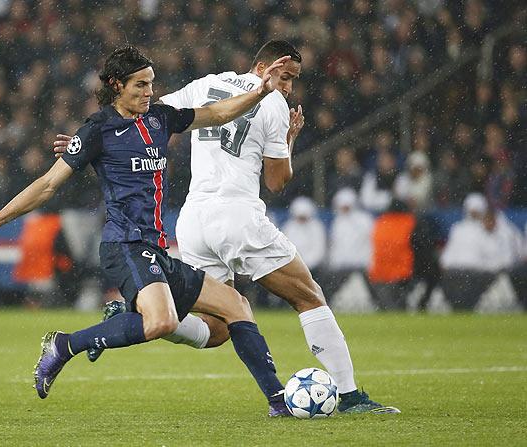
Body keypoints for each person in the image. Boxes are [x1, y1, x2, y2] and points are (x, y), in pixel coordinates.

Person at [55, 40, 399, 414]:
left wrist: (86, 144)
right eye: (284, 76)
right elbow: (276, 181)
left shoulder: (206, 84)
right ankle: (349, 396)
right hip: (237, 217)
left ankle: (133, 318)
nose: (287, 87)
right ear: (265, 66)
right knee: (309, 295)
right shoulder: (272, 103)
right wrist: (288, 142)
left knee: (217, 328)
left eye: (292, 81)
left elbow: (146, 115)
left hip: (194, 219)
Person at [0, 45, 293, 416]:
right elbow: (47, 185)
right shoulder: (98, 129)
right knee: (162, 320)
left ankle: (279, 403)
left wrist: (260, 92)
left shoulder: (160, 118)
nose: (150, 92)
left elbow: (215, 113)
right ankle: (66, 345)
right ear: (117, 85)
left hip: (156, 249)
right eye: (141, 85)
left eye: (151, 84)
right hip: (124, 246)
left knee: (234, 310)